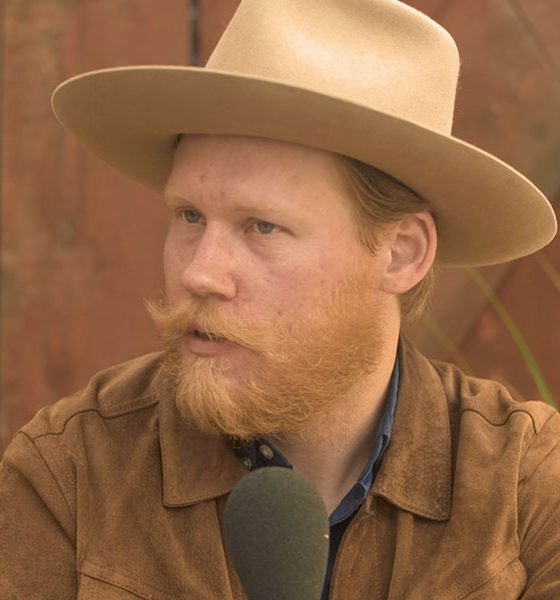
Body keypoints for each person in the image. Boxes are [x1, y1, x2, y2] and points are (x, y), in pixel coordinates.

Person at [1, 0, 559, 598]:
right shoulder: (70, 474)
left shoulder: (524, 490)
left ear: (400, 253)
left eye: (261, 226)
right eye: (189, 215)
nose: (200, 273)